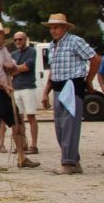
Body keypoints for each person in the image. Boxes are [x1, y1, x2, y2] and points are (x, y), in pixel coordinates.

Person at [41, 13, 100, 175]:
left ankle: (68, 162)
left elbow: (95, 59)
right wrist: (46, 91)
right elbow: (53, 71)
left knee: (69, 126)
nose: (53, 30)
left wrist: (88, 80)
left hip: (72, 85)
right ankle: (73, 160)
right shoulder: (52, 46)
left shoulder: (75, 41)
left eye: (56, 27)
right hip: (59, 86)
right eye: (51, 28)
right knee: (60, 127)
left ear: (65, 27)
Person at [0, 21, 37, 171]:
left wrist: (12, 69)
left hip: (5, 92)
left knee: (17, 124)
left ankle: (22, 157)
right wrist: (3, 85)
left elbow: (11, 68)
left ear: (3, 34)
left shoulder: (4, 50)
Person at [10, 31, 40, 154]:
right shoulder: (13, 54)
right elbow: (10, 70)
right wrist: (18, 68)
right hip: (16, 88)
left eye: (20, 39)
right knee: (18, 118)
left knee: (31, 116)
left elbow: (27, 66)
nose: (18, 41)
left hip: (28, 87)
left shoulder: (32, 51)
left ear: (25, 39)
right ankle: (22, 144)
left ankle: (34, 145)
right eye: (16, 39)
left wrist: (16, 69)